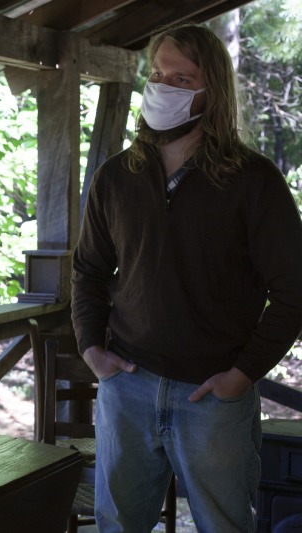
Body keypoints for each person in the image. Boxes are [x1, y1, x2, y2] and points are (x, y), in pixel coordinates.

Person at [71, 24, 302, 532]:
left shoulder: (255, 180)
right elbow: (88, 271)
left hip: (214, 398)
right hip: (127, 388)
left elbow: (293, 290)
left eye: (181, 79)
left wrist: (241, 376)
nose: (162, 86)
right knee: (116, 527)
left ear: (210, 91)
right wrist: (93, 350)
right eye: (157, 75)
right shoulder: (116, 176)